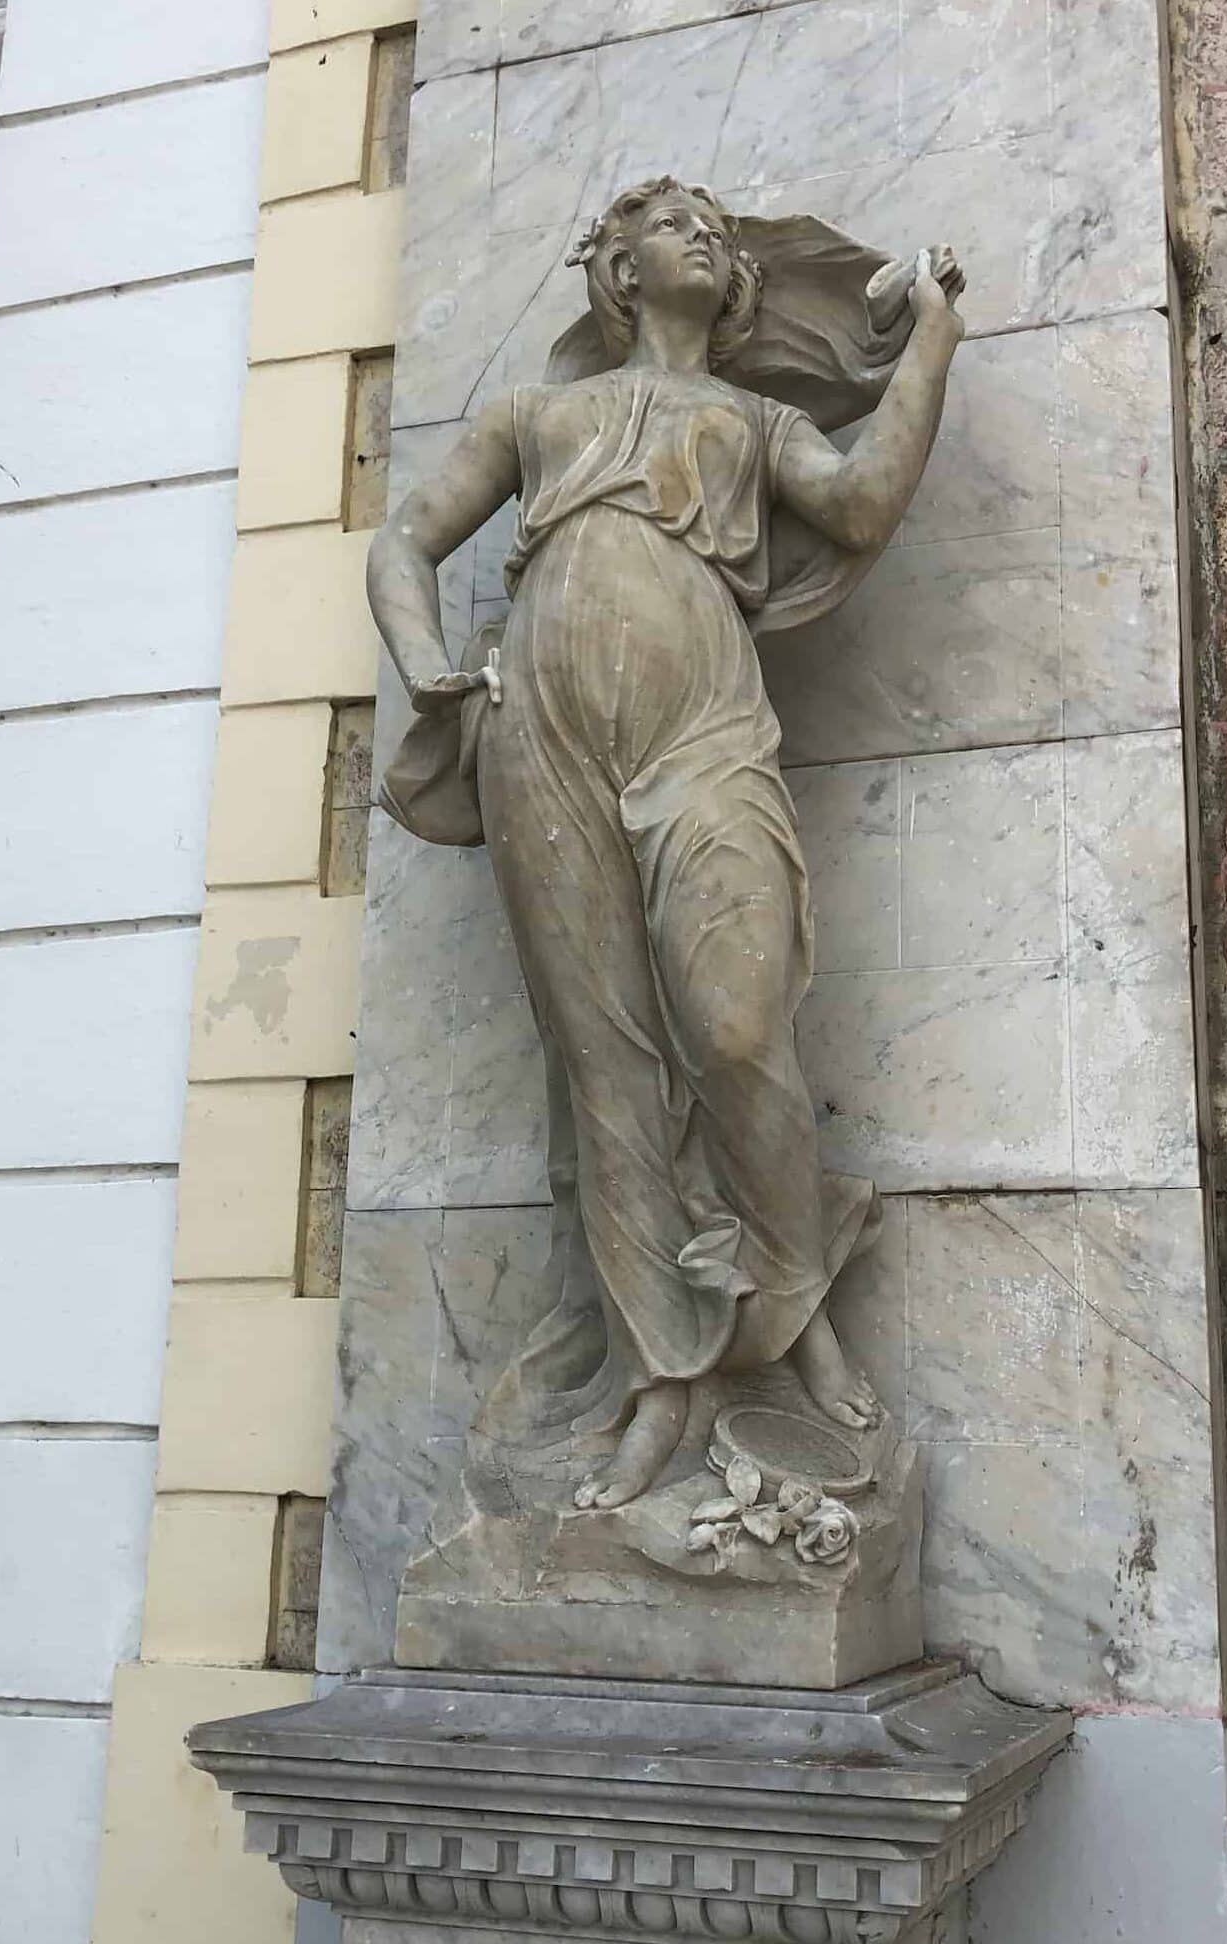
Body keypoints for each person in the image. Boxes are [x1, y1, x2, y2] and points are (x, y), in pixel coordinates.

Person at [368, 177, 965, 1511]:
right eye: (672, 220)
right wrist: (428, 670)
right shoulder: (542, 416)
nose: (702, 233)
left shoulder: (758, 420)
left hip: (703, 726)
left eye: (715, 225)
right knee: (606, 1067)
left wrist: (928, 337)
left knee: (740, 1027)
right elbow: (404, 539)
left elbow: (863, 504)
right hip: (541, 734)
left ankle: (793, 1304)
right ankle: (662, 1383)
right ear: (620, 271)